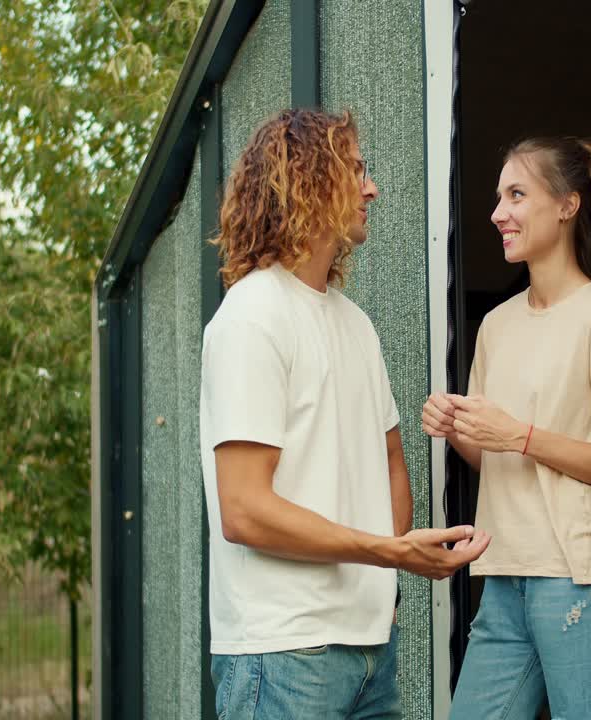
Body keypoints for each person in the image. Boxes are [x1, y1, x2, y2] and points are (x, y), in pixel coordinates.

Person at [200, 108, 490, 720]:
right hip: (282, 656)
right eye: (356, 170)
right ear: (307, 179)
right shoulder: (251, 317)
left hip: (370, 653)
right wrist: (389, 554)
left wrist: (384, 581)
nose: (372, 187)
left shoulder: (356, 324)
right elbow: (244, 510)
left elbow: (389, 463)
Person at [423, 137, 591, 719]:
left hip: (580, 579)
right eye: (499, 197)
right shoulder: (496, 326)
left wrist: (520, 434)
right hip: (504, 576)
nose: (498, 212)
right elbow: (497, 457)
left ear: (568, 205)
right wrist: (459, 430)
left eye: (516, 194)